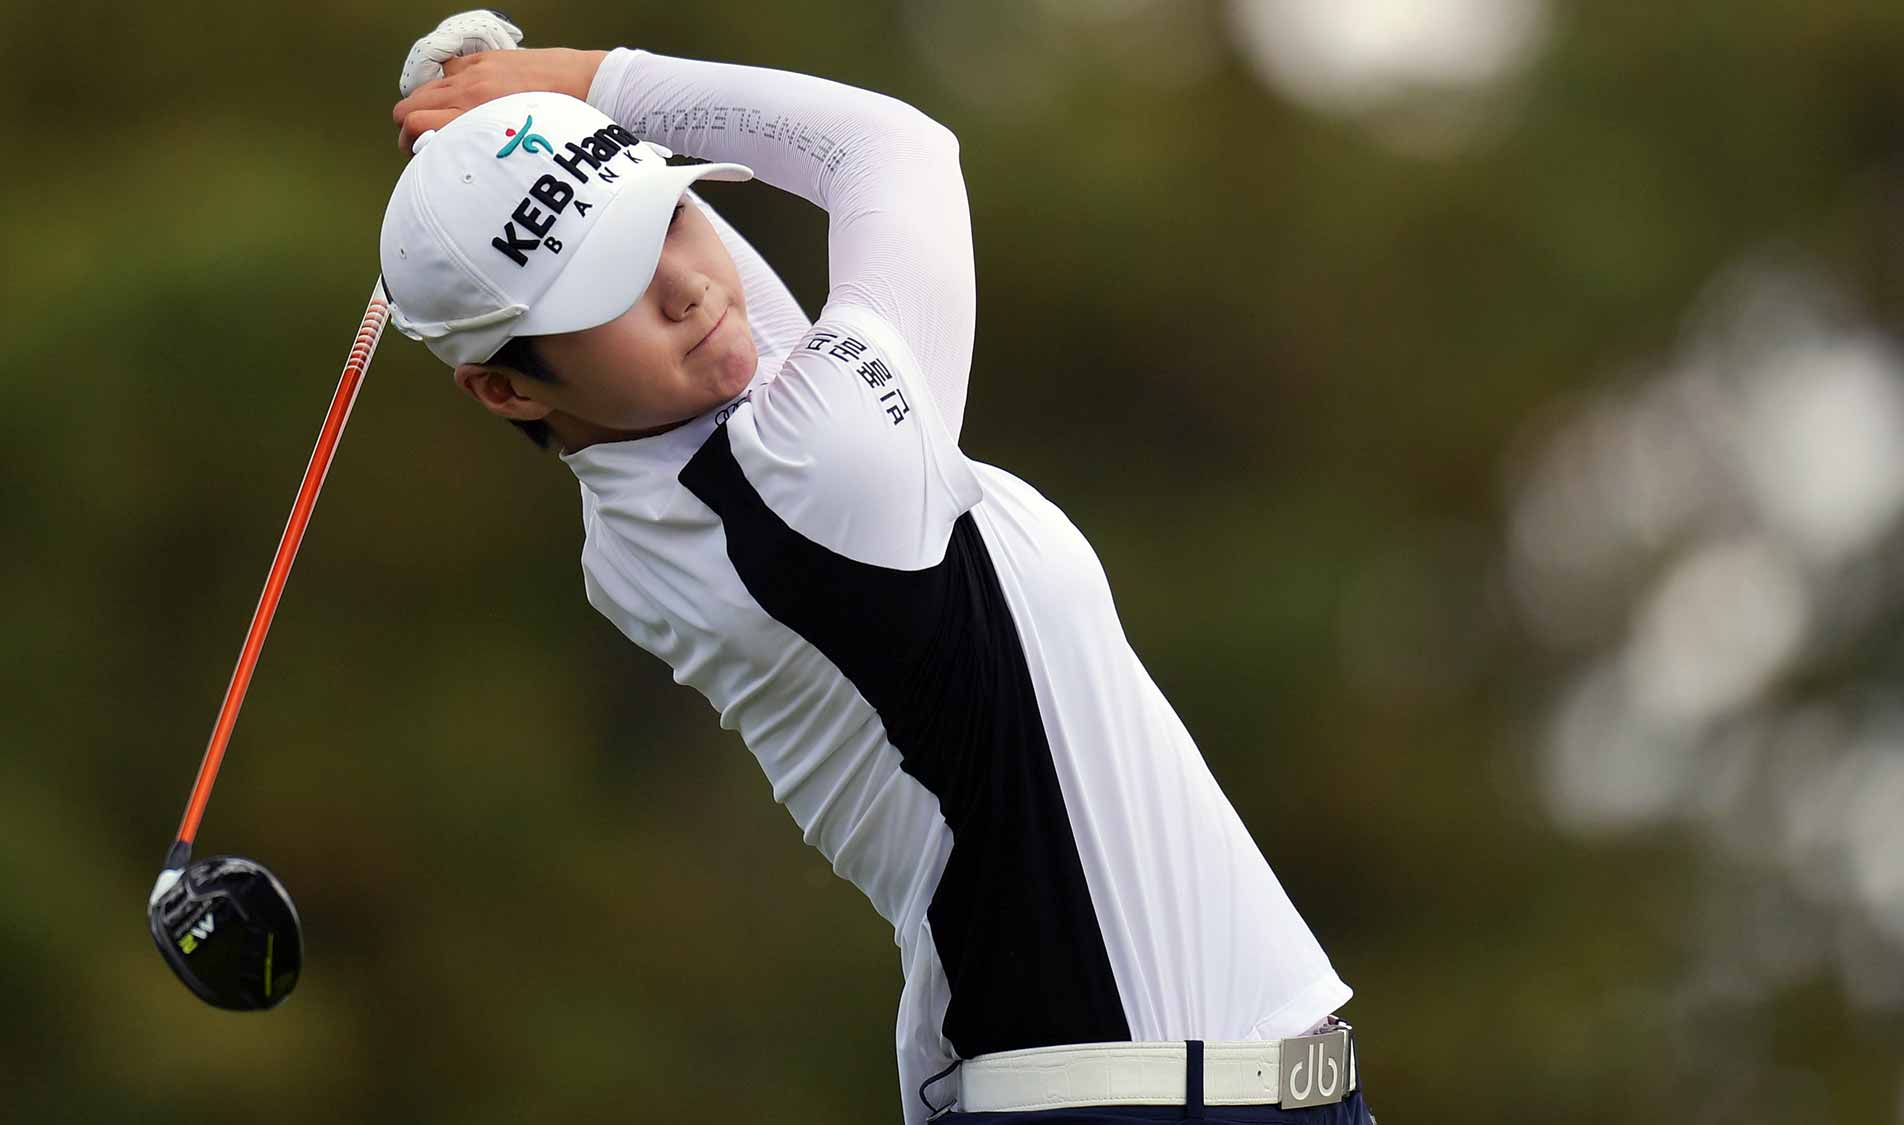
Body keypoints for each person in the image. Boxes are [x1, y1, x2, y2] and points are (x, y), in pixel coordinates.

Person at [381, 12, 1373, 1124]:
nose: (683, 284)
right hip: (1127, 1101)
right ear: (507, 389)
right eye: (606, 286)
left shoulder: (661, 484)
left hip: (1165, 1092)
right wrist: (595, 80)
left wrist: (512, 134)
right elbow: (897, 151)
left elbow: (717, 319)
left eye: (667, 213)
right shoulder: (816, 470)